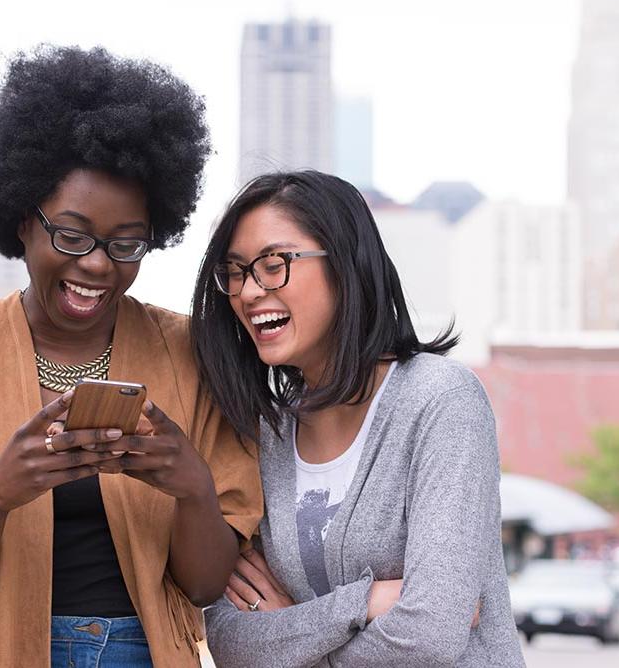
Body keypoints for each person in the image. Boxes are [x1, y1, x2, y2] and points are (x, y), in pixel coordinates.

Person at [0, 45, 262, 667]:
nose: (95, 263)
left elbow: (203, 585)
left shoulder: (194, 353)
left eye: (126, 244)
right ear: (21, 222)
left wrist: (193, 487)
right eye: (71, 233)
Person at [191, 171, 526, 666]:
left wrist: (294, 632)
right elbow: (229, 638)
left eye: (273, 263)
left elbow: (431, 632)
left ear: (345, 264)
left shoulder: (440, 402)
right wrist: (364, 603)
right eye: (237, 271)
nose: (248, 291)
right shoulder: (266, 433)